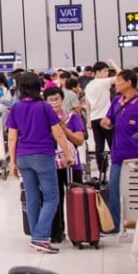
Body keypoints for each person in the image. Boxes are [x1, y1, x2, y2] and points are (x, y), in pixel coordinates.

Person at [7, 74, 75, 254]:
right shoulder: (45, 107)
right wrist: (68, 154)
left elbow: (12, 137)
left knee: (32, 197)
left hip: (23, 156)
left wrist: (12, 162)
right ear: (39, 87)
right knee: (52, 197)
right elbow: (58, 133)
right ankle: (40, 237)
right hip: (43, 155)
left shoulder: (15, 108)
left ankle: (36, 236)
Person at [100, 69, 138, 235]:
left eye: (119, 81)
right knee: (113, 189)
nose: (116, 84)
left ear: (129, 82)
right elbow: (109, 120)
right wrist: (105, 123)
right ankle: (114, 224)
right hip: (118, 154)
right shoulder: (116, 101)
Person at [45, 85, 86, 243]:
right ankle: (56, 233)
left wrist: (65, 131)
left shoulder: (72, 117)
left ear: (62, 100)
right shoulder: (45, 119)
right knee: (55, 198)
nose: (54, 102)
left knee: (76, 197)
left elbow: (80, 140)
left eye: (57, 99)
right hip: (52, 165)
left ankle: (79, 231)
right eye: (51, 100)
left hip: (72, 164)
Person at [83, 60, 118, 178]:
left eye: (108, 71)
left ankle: (102, 170)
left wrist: (88, 119)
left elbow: (87, 103)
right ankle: (116, 167)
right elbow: (122, 76)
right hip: (105, 117)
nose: (107, 73)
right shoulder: (102, 82)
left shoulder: (89, 85)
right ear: (97, 72)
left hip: (94, 118)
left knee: (99, 145)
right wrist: (114, 63)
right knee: (113, 143)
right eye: (105, 71)